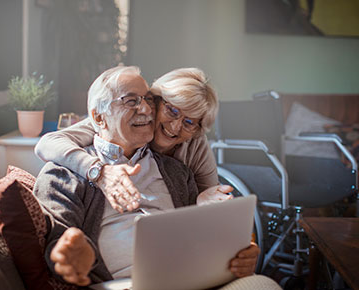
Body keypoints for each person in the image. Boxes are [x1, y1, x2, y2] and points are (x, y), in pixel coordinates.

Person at [34, 66, 259, 287]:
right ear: (99, 118)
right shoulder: (65, 171)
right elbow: (59, 240)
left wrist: (241, 252)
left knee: (260, 284)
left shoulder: (180, 170)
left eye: (147, 100)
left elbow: (217, 230)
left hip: (188, 279)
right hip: (125, 284)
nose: (145, 109)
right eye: (131, 100)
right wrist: (72, 254)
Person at [35, 67, 233, 213]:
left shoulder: (194, 144)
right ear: (155, 99)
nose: (175, 127)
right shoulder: (118, 124)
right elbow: (48, 143)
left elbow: (212, 203)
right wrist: (99, 171)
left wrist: (206, 204)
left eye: (189, 122)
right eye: (172, 110)